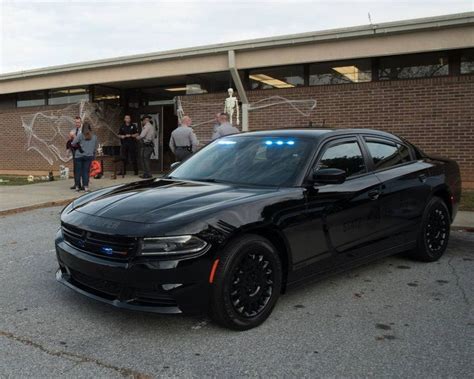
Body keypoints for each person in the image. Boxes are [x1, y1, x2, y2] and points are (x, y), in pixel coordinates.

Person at [71, 122, 97, 192]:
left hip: (79, 156)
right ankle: (86, 187)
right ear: (90, 128)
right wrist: (94, 155)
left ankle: (77, 187)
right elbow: (95, 148)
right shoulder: (94, 137)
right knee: (86, 171)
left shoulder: (80, 135)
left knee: (78, 171)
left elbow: (73, 143)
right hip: (89, 156)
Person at [67, 116, 82, 190]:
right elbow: (70, 141)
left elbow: (81, 141)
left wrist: (75, 136)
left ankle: (82, 184)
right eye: (76, 122)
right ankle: (76, 184)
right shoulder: (73, 130)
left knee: (81, 168)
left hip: (81, 151)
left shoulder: (82, 131)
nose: (77, 124)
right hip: (74, 151)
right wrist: (70, 137)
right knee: (75, 168)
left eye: (78, 122)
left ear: (81, 122)